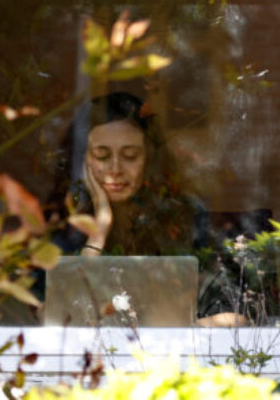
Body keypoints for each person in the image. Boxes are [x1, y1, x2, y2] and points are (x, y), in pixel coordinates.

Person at [49, 91, 246, 326]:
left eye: (130, 156)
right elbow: (57, 319)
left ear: (150, 159)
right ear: (83, 161)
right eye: (102, 155)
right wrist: (98, 232)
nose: (115, 169)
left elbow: (235, 316)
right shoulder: (63, 223)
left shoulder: (184, 216)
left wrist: (171, 332)